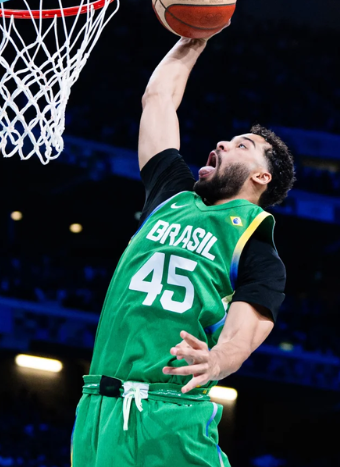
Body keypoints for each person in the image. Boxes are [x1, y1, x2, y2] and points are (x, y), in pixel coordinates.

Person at [71, 36, 295, 466]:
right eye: (229, 139)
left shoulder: (255, 245)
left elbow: (243, 336)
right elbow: (158, 98)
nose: (224, 144)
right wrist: (195, 37)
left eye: (242, 145)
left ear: (261, 179)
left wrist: (216, 361)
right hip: (97, 409)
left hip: (168, 414)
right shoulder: (170, 194)